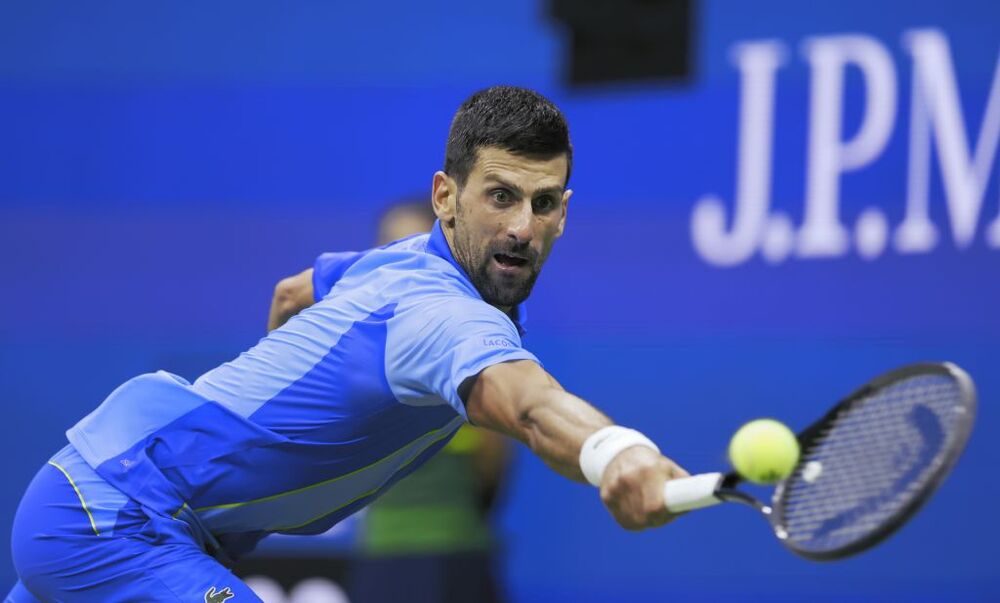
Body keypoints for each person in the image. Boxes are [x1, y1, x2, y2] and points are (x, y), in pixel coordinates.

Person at [7, 86, 689, 603]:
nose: (520, 226)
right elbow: (531, 406)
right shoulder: (441, 315)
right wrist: (617, 451)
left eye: (542, 203)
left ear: (564, 214)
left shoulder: (397, 262)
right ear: (446, 197)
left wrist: (267, 417)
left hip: (106, 500)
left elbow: (290, 293)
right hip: (117, 514)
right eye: (500, 196)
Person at [271, 199, 512, 603]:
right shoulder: (467, 340)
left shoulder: (472, 343)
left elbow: (493, 460)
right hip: (391, 558)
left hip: (453, 559)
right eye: (391, 247)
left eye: (415, 246)